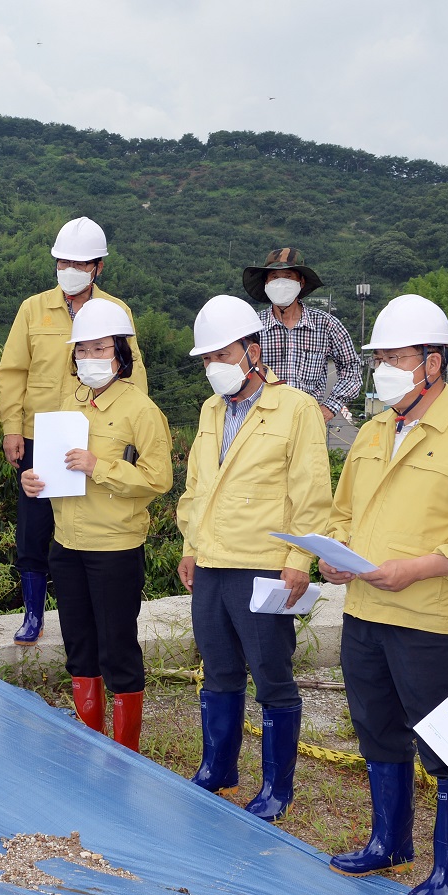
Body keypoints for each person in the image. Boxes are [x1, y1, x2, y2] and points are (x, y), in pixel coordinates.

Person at [319, 295, 448, 895]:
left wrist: (420, 567)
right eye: (378, 358)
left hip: (429, 619)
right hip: (363, 613)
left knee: (447, 748)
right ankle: (389, 841)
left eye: (396, 358)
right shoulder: (374, 431)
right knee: (377, 731)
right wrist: (334, 550)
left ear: (433, 363)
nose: (383, 370)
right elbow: (343, 509)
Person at [176, 295, 332, 821]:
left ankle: (275, 789)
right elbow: (197, 486)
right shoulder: (210, 410)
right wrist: (190, 546)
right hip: (213, 562)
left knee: (271, 674)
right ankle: (217, 768)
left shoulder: (295, 408)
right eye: (207, 360)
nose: (214, 367)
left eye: (223, 355)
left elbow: (311, 493)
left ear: (253, 350)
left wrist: (298, 558)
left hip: (264, 564)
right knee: (218, 669)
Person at [21, 299, 172, 751]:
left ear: (121, 353)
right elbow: (55, 468)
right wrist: (35, 480)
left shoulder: (140, 410)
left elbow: (158, 478)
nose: (89, 358)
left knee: (118, 650)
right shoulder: (70, 402)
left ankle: (125, 752)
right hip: (67, 543)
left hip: (114, 547)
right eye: (81, 350)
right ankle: (91, 741)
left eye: (99, 348)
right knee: (79, 648)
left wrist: (99, 466)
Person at [0, 217, 148, 647]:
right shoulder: (33, 309)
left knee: (90, 521)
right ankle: (32, 613)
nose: (70, 269)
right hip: (40, 433)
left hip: (100, 438)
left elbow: (134, 377)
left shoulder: (116, 311)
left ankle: (87, 613)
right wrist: (12, 428)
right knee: (34, 525)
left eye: (80, 263)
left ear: (98, 267)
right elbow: (12, 373)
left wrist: (129, 440)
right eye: (63, 261)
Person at [241, 247, 362, 433]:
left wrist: (329, 408)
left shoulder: (326, 325)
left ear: (301, 282)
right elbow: (238, 371)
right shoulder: (252, 327)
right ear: (266, 282)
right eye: (274, 277)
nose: (281, 283)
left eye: (288, 277)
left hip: (308, 424)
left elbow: (352, 369)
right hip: (260, 424)